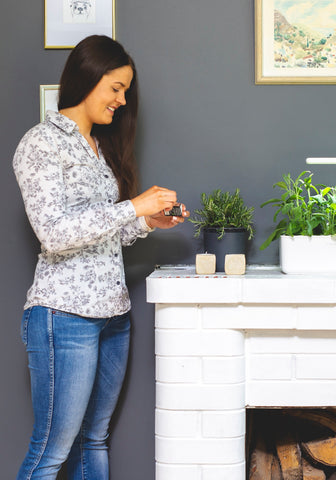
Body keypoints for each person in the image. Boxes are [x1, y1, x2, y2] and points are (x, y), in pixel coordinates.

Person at [13, 35, 188, 479]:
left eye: (126, 90)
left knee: (94, 441)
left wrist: (149, 222)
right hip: (64, 315)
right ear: (87, 79)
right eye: (115, 88)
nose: (122, 100)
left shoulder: (101, 148)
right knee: (51, 451)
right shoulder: (41, 144)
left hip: (113, 316)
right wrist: (135, 206)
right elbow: (53, 234)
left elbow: (103, 232)